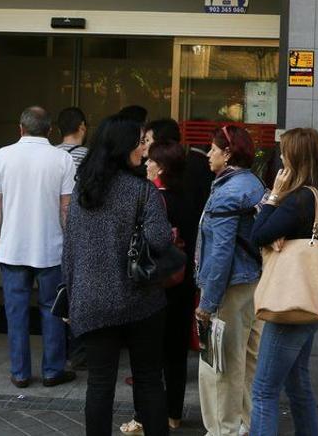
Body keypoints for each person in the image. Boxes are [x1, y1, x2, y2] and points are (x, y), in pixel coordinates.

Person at [63, 115, 177, 436]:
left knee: (99, 385)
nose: (145, 149)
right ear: (124, 146)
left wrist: (73, 300)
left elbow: (69, 250)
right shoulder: (143, 191)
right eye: (140, 142)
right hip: (142, 301)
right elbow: (159, 240)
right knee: (150, 381)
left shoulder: (83, 191)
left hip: (93, 301)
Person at [248, 128, 318, 436]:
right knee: (297, 381)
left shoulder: (298, 199)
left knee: (263, 390)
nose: (280, 157)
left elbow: (257, 234)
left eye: (285, 152)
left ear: (296, 159)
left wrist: (274, 196)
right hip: (313, 301)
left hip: (289, 302)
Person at [0, 106, 77, 389]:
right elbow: (66, 208)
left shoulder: (2, 156)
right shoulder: (62, 159)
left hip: (13, 248)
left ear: (20, 128)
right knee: (52, 309)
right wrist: (68, 240)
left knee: (16, 310)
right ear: (50, 130)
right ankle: (52, 370)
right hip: (51, 249)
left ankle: (20, 372)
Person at [120, 138, 194, 436]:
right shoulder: (188, 195)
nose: (146, 163)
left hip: (157, 283)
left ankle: (142, 417)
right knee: (176, 354)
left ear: (160, 165)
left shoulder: (154, 197)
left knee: (148, 357)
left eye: (150, 160)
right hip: (183, 279)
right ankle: (174, 414)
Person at [196, 125, 266, 436]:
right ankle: (247, 425)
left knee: (220, 363)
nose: (208, 155)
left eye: (213, 149)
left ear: (227, 153)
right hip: (254, 283)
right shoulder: (254, 183)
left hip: (229, 288)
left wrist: (207, 303)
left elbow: (221, 252)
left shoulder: (227, 193)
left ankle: (222, 430)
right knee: (248, 360)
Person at [56, 106, 91, 371]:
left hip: (50, 235)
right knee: (77, 294)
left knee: (55, 296)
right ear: (82, 127)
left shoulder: (49, 155)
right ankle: (79, 351)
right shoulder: (89, 158)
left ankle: (56, 351)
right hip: (79, 235)